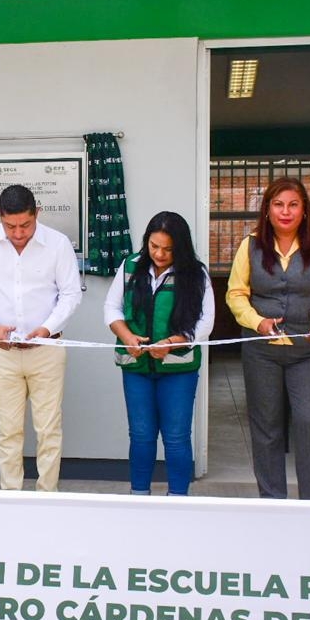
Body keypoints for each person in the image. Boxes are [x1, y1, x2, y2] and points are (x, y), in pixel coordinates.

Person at [226, 176, 310, 500]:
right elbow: (236, 294)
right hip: (260, 351)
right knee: (267, 428)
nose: (285, 211)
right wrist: (257, 322)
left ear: (304, 210)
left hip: (307, 350)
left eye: (293, 204)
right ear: (267, 210)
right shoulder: (249, 245)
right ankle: (272, 501)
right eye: (278, 204)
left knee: (307, 422)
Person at [0, 184, 82, 492]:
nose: (18, 233)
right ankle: (11, 498)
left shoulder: (57, 244)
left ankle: (47, 496)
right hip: (3, 351)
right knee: (8, 431)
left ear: (37, 214)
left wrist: (46, 328)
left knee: (48, 429)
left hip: (48, 349)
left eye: (25, 225)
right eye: (10, 226)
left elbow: (70, 294)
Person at [103, 212, 214, 496]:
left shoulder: (195, 273)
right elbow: (111, 308)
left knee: (176, 437)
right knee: (140, 436)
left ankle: (178, 498)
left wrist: (173, 342)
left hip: (178, 369)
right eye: (154, 246)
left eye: (168, 248)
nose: (160, 254)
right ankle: (139, 495)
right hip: (136, 366)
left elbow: (205, 322)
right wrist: (127, 336)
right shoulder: (129, 267)